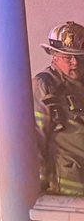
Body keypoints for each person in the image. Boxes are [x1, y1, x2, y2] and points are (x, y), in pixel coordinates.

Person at [34, 22, 84, 196]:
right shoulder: (44, 85)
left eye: (79, 57)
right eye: (68, 57)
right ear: (54, 56)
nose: (75, 63)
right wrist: (38, 187)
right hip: (67, 193)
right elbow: (35, 138)